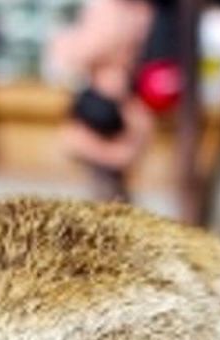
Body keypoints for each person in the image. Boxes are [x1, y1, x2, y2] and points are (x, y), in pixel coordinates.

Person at [48, 0, 159, 203]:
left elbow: (89, 49)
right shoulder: (145, 11)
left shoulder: (110, 10)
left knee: (104, 185)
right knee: (115, 182)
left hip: (104, 101)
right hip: (129, 103)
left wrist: (62, 42)